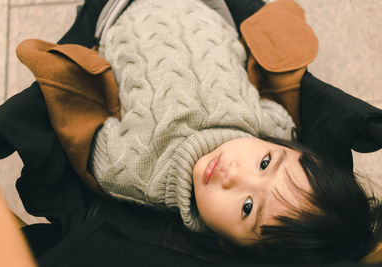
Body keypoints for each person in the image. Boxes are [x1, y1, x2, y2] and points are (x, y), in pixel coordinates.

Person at [86, 0, 382, 264]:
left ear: (226, 243)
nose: (235, 175)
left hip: (123, 13)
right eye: (265, 163)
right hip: (208, 10)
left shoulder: (139, 174)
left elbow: (100, 137)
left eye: (248, 207)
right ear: (291, 147)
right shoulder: (266, 125)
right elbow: (281, 117)